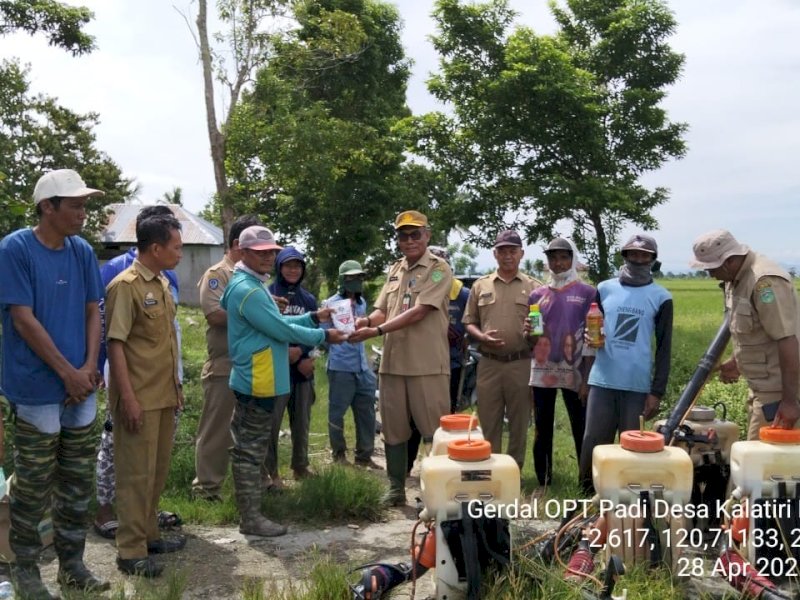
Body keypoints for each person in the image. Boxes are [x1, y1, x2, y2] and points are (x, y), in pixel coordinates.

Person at [0, 169, 109, 598]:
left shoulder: (80, 251)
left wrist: (86, 365)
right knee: (32, 484)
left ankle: (72, 565)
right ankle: (27, 570)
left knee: (77, 480)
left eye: (85, 205)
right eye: (76, 205)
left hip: (79, 384)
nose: (83, 213)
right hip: (36, 388)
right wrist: (68, 372)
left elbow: (92, 310)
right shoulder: (15, 249)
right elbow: (22, 319)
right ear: (48, 207)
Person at [221, 226, 347, 536]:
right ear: (243, 252)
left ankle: (251, 514)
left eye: (271, 251)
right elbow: (280, 331)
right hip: (257, 378)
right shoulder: (248, 289)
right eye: (261, 252)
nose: (268, 257)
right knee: (250, 452)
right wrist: (323, 335)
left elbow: (276, 322)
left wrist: (312, 318)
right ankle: (250, 518)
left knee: (250, 449)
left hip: (259, 375)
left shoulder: (251, 284)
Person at [349, 210, 452, 506]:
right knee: (393, 428)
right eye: (403, 235)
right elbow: (383, 308)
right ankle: (395, 490)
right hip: (393, 363)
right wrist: (365, 321)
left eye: (415, 234)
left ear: (427, 236)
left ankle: (438, 492)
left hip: (427, 365)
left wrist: (377, 329)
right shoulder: (395, 269)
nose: (409, 241)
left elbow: (420, 311)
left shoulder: (438, 268)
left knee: (435, 431)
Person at [94, 203, 183, 538]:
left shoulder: (161, 283)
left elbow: (165, 344)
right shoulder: (124, 285)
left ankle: (150, 536)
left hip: (163, 395)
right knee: (135, 476)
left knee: (156, 474)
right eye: (176, 247)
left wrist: (176, 387)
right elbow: (115, 344)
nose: (180, 253)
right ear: (156, 248)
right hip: (138, 397)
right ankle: (131, 549)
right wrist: (127, 399)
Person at [578, 233, 673, 494]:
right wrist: (589, 340)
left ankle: (626, 498)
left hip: (637, 384)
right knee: (594, 442)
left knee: (631, 447)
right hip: (603, 378)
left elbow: (665, 347)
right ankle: (586, 497)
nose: (639, 259)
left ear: (653, 260)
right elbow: (591, 326)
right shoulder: (605, 288)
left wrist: (657, 391)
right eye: (633, 254)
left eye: (645, 255)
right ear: (625, 256)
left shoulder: (661, 297)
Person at [691, 229, 800, 438]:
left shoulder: (764, 282)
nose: (710, 274)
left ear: (729, 261)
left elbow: (787, 339)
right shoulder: (736, 280)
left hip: (778, 393)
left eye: (711, 268)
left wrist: (789, 402)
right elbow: (754, 331)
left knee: (762, 462)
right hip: (761, 389)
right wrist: (736, 361)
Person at [191, 215, 262, 501]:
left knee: (249, 433)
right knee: (216, 432)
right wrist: (258, 317)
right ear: (237, 244)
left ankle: (245, 488)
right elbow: (214, 314)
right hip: (224, 366)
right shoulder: (218, 274)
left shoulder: (253, 276)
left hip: (252, 366)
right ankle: (206, 489)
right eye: (254, 245)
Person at [463, 230, 540, 469]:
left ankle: (513, 471)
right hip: (489, 363)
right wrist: (481, 336)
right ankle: (490, 469)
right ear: (495, 254)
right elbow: (468, 322)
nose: (508, 256)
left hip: (521, 362)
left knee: (519, 421)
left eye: (512, 251)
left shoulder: (535, 288)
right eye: (503, 251)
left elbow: (540, 328)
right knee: (489, 419)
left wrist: (532, 332)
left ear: (521, 253)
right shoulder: (480, 286)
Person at [526, 237, 596, 487]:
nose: (557, 263)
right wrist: (528, 333)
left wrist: (587, 379)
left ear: (572, 259)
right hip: (542, 370)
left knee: (581, 426)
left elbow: (592, 336)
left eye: (563, 257)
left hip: (575, 371)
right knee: (542, 427)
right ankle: (543, 481)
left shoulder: (587, 292)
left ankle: (586, 482)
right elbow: (531, 339)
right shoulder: (537, 295)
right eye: (552, 258)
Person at [406, 245, 470, 474]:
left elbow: (471, 323)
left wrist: (463, 335)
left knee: (446, 419)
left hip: (450, 365)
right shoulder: (416, 289)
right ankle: (407, 466)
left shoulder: (462, 294)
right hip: (418, 363)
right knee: (413, 418)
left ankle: (444, 468)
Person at [268, 247, 319, 482]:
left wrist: (304, 353)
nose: (292, 270)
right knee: (272, 423)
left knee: (301, 422)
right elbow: (265, 329)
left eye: (297, 266)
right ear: (279, 267)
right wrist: (285, 351)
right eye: (288, 265)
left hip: (302, 370)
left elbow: (315, 330)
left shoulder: (308, 299)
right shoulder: (267, 294)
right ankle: (271, 472)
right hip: (276, 369)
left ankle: (300, 466)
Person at [323, 260, 379, 468]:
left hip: (362, 366)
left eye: (359, 278)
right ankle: (339, 456)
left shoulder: (362, 304)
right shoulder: (330, 304)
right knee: (337, 413)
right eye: (351, 278)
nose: (356, 282)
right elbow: (323, 334)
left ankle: (364, 456)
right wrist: (336, 347)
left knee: (367, 413)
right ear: (342, 280)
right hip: (340, 367)